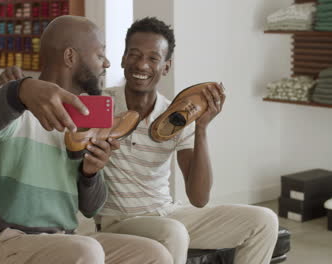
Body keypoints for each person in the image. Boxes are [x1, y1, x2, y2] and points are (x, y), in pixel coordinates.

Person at [0, 15, 173, 264]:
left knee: (154, 254)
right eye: (100, 55)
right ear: (70, 57)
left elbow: (91, 209)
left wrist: (90, 173)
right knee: (86, 251)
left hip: (63, 240)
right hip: (3, 243)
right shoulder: (18, 107)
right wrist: (22, 89)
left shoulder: (85, 121)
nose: (107, 63)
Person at [95, 17, 279, 264]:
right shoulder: (101, 104)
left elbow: (199, 198)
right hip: (119, 221)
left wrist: (201, 127)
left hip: (166, 214)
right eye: (134, 54)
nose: (141, 64)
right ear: (123, 58)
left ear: (166, 67)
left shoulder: (176, 116)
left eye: (153, 58)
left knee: (264, 220)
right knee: (173, 232)